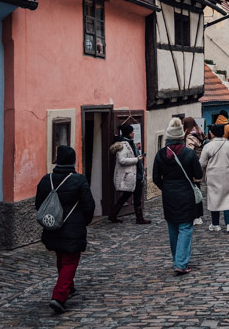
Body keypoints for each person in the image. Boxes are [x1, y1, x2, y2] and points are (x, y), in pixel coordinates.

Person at [34, 145, 96, 314]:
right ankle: (59, 296)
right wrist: (84, 221)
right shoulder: (78, 180)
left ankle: (69, 286)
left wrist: (50, 219)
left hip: (53, 226)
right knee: (69, 260)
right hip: (73, 227)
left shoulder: (46, 180)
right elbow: (89, 205)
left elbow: (39, 204)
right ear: (73, 161)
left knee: (62, 256)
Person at [152, 117, 203, 275]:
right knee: (186, 226)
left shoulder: (161, 154)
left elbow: (155, 178)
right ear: (181, 136)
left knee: (173, 226)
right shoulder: (188, 153)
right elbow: (198, 174)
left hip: (168, 194)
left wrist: (166, 187)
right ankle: (181, 263)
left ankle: (177, 259)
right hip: (186, 192)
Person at [199, 123, 229, 232]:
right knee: (228, 198)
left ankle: (215, 224)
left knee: (214, 198)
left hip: (213, 175)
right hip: (227, 174)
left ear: (212, 134)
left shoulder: (208, 146)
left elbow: (202, 163)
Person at [107, 124, 150, 224]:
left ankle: (114, 215)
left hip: (136, 174)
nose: (133, 133)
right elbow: (122, 160)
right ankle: (138, 218)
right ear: (128, 133)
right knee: (131, 196)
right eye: (132, 132)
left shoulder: (130, 143)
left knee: (131, 196)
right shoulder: (123, 145)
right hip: (130, 175)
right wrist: (136, 159)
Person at [183, 117, 206, 225]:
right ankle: (198, 215)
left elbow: (189, 152)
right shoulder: (199, 133)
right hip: (199, 165)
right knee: (197, 190)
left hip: (192, 167)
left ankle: (195, 215)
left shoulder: (189, 137)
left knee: (193, 191)